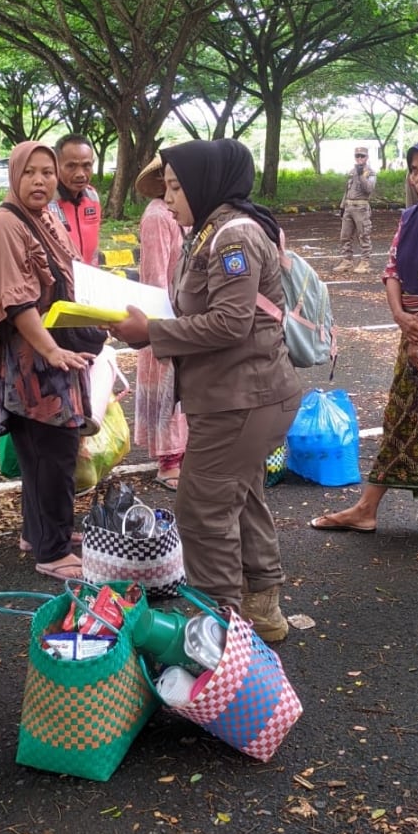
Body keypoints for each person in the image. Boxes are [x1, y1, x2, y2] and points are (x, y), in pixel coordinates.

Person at [111, 140, 305, 642]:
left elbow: (230, 324)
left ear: (206, 183)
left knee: (201, 510)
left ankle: (218, 627)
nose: (168, 198)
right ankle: (261, 607)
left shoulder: (233, 237)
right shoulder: (212, 231)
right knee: (241, 495)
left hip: (243, 397)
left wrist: (151, 333)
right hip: (241, 394)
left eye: (176, 187)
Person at [308, 134, 418, 551]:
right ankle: (366, 508)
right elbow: (392, 269)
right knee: (401, 418)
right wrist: (400, 317)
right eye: (414, 169)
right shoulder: (411, 219)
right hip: (414, 333)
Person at [0, 139, 97, 582]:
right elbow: (17, 302)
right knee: (48, 455)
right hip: (32, 362)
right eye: (29, 173)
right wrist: (51, 351)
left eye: (46, 172)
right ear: (13, 176)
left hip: (53, 355)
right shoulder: (4, 224)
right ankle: (52, 550)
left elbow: (73, 273)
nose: (39, 181)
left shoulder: (46, 218)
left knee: (52, 453)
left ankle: (40, 533)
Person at [127, 158, 188, 484]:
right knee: (167, 386)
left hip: (183, 314)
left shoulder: (190, 213)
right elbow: (154, 275)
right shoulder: (156, 216)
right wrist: (161, 322)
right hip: (164, 314)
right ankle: (169, 459)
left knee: (184, 386)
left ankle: (182, 451)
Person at [52, 137, 102, 264]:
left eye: (86, 166)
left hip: (89, 278)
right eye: (71, 166)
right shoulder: (46, 201)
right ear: (56, 165)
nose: (80, 173)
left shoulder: (92, 196)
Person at [336, 147, 378, 272]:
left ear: (367, 157)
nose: (359, 158)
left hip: (361, 207)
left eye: (362, 156)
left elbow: (369, 189)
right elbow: (347, 190)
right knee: (345, 235)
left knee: (363, 235)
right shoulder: (351, 171)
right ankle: (347, 261)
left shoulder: (370, 173)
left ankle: (365, 262)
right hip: (349, 206)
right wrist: (342, 206)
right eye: (357, 156)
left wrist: (361, 176)